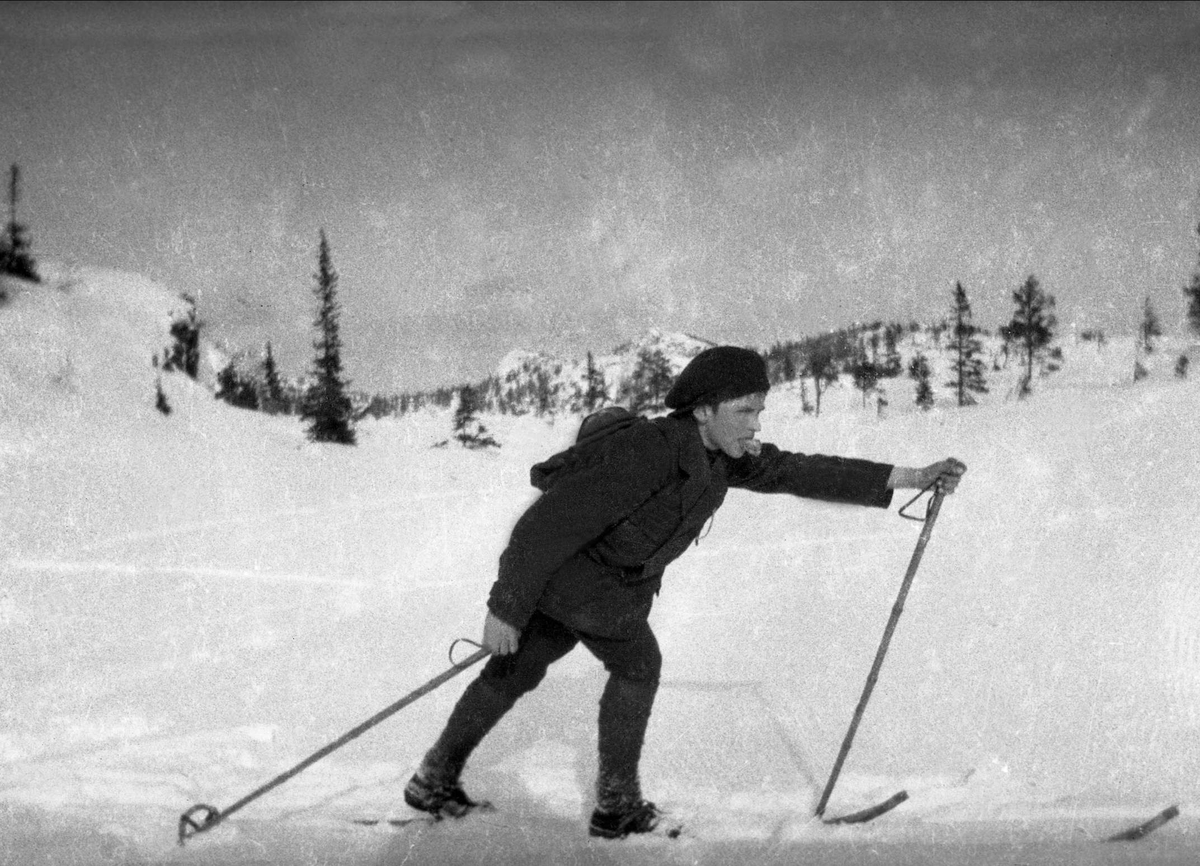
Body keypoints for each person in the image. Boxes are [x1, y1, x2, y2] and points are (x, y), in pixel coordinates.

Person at [404, 345, 966, 838]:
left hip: (582, 589)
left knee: (517, 669)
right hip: (580, 584)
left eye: (759, 410)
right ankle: (616, 808)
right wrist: (503, 609)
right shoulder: (647, 450)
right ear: (703, 410)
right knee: (636, 664)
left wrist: (909, 476)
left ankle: (434, 779)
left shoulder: (722, 458)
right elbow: (546, 526)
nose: (755, 423)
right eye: (744, 410)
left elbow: (799, 470)